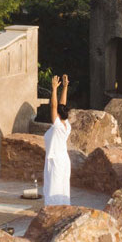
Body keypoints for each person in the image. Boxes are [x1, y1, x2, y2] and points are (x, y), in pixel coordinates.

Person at [41, 73, 72, 207]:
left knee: (54, 187)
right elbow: (61, 105)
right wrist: (65, 87)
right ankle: (62, 208)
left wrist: (54, 89)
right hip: (63, 159)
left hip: (56, 161)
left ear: (58, 115)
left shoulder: (58, 125)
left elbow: (54, 107)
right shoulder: (66, 124)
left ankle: (53, 210)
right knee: (62, 185)